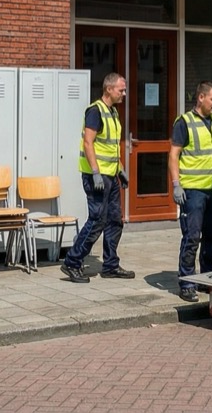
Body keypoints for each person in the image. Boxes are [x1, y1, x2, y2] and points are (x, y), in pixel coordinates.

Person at [61, 72, 135, 283]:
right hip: (97, 177)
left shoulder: (113, 112)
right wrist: (95, 172)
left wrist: (120, 168)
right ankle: (72, 262)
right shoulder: (95, 111)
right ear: (109, 89)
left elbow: (110, 146)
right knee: (97, 220)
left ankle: (111, 265)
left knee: (114, 220)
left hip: (110, 175)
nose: (124, 93)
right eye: (121, 89)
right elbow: (88, 143)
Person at [169, 81, 212, 302]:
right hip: (192, 191)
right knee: (192, 236)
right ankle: (187, 282)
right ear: (201, 97)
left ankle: (206, 279)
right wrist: (176, 184)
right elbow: (173, 155)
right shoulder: (184, 122)